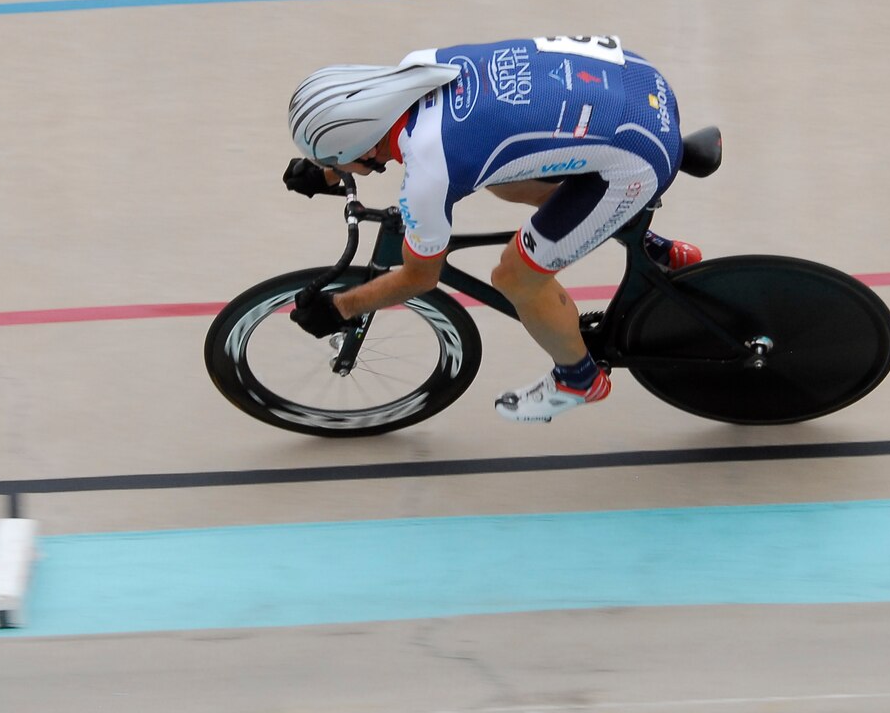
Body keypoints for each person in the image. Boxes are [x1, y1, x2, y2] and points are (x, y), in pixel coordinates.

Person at [281, 35, 701, 422]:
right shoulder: (420, 67)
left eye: (334, 160)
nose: (332, 169)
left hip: (637, 156)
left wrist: (342, 308)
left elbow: (420, 277)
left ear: (363, 146)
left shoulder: (430, 171)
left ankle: (579, 380)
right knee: (502, 174)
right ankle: (649, 248)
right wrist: (328, 174)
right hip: (636, 80)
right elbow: (377, 141)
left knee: (516, 276)